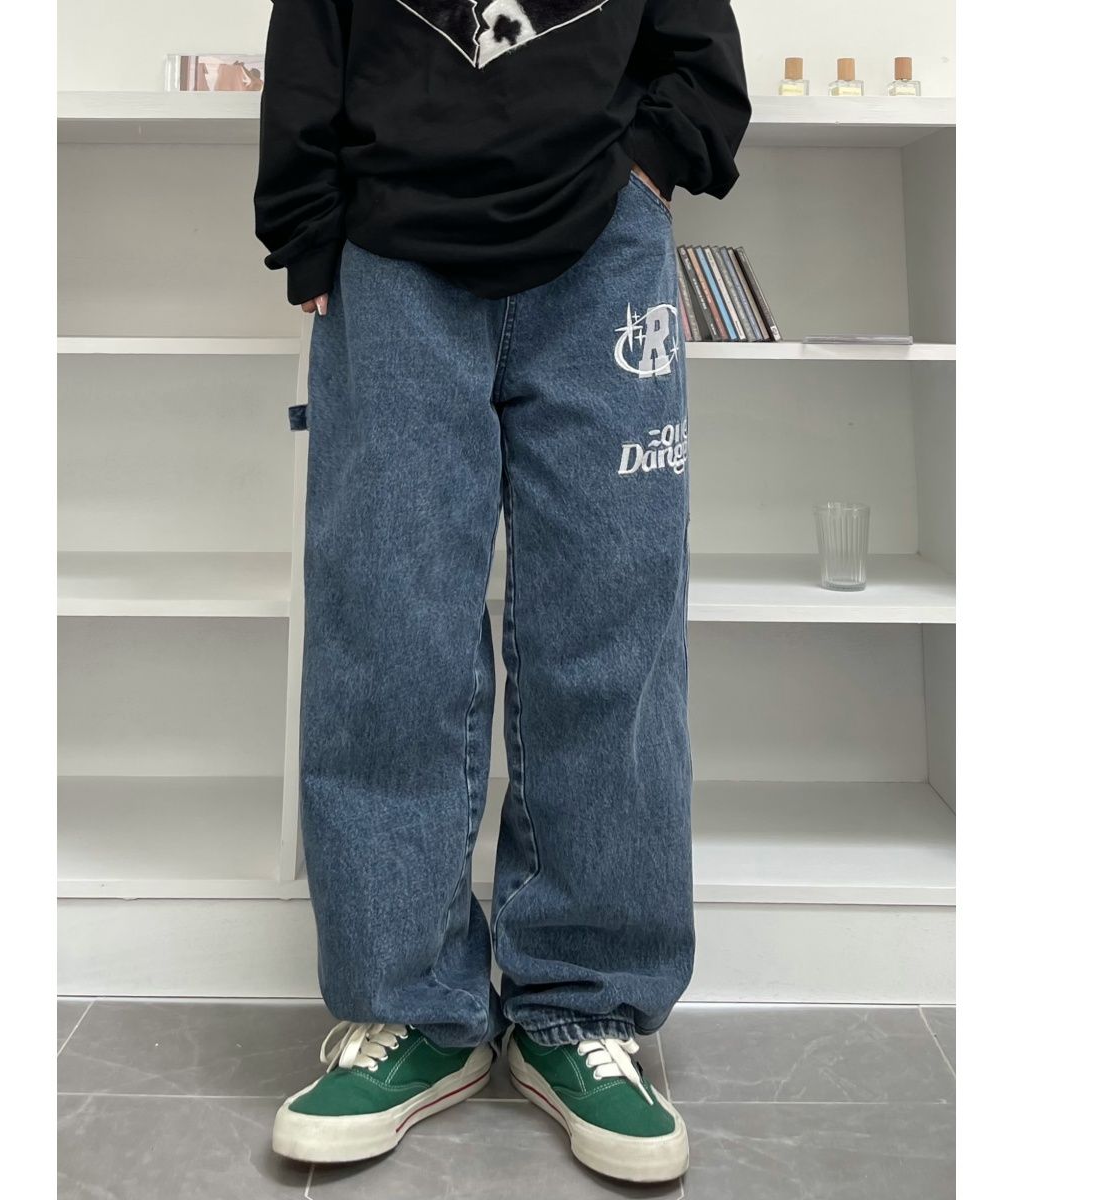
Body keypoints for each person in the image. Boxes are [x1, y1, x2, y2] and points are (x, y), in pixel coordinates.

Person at [254, 0, 748, 1183]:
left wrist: (650, 167)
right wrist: (308, 225)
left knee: (611, 625)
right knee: (386, 628)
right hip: (388, 253)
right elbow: (311, 31)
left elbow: (699, 47)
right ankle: (410, 1011)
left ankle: (583, 1008)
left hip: (604, 246)